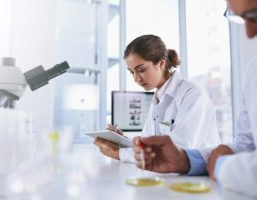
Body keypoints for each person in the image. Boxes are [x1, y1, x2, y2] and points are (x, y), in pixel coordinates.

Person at [133, 0, 257, 197]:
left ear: (161, 64)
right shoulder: (253, 70)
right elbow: (247, 146)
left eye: (254, 15)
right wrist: (187, 160)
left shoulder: (193, 94)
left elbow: (189, 145)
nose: (249, 33)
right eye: (241, 18)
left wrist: (221, 165)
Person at [94, 34, 221, 162]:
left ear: (160, 64)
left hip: (200, 177)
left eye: (141, 70)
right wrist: (122, 141)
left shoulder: (193, 95)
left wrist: (119, 154)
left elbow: (178, 151)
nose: (136, 79)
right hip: (172, 175)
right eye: (132, 72)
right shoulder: (158, 97)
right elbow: (148, 142)